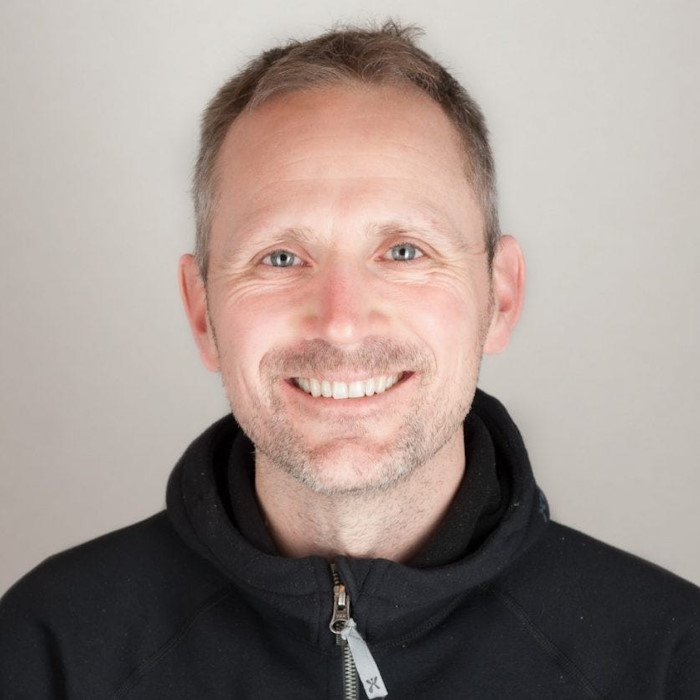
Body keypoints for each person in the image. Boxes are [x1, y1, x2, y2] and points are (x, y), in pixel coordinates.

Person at [1, 21, 698, 700]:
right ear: (202, 311)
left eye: (404, 252)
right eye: (280, 257)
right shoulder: (46, 651)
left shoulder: (670, 661)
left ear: (501, 296)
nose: (339, 323)